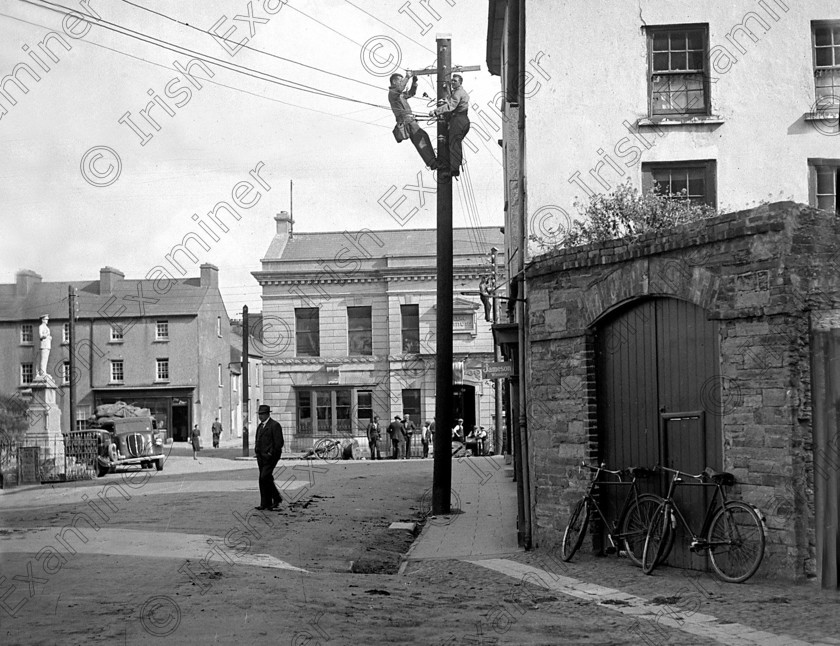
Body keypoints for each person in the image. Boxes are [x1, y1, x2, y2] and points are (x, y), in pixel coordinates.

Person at [389, 71, 438, 169]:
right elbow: (400, 88)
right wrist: (408, 77)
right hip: (406, 121)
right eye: (400, 80)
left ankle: (433, 162)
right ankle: (433, 162)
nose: (402, 82)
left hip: (409, 120)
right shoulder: (393, 93)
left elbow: (411, 93)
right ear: (394, 82)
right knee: (421, 138)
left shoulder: (399, 95)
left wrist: (414, 82)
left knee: (422, 137)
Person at [431, 73, 471, 177]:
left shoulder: (458, 93)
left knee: (454, 144)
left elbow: (451, 106)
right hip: (461, 120)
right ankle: (453, 167)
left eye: (455, 81)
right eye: (452, 81)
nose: (452, 82)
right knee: (453, 143)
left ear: (460, 82)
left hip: (459, 120)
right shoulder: (458, 92)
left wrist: (436, 111)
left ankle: (454, 170)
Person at [254, 404, 284, 510]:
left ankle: (276, 498)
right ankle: (265, 503)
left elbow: (279, 443)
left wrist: (271, 454)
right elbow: (258, 440)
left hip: (270, 457)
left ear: (267, 414)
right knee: (264, 479)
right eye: (259, 414)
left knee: (264, 477)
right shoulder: (260, 426)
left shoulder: (274, 425)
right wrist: (257, 451)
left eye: (262, 414)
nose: (260, 416)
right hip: (260, 457)